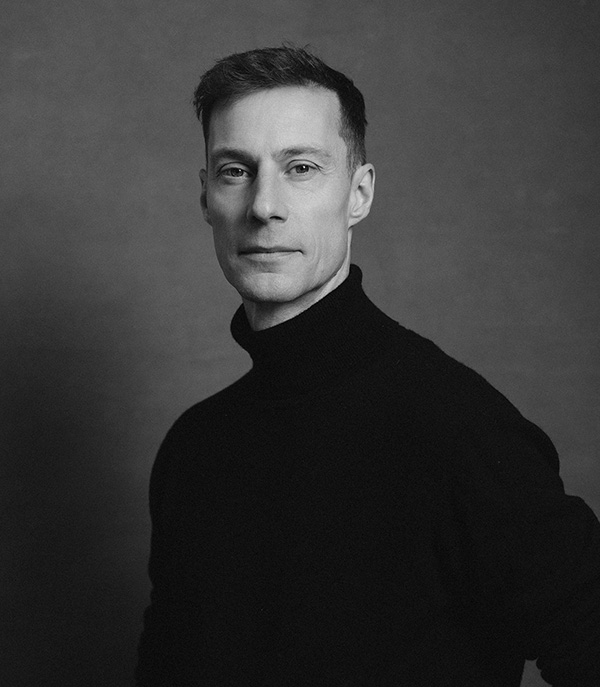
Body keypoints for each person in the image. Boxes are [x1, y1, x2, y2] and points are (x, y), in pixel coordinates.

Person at [136, 46, 600, 686]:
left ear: (358, 194)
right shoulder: (194, 449)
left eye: (301, 168)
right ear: (206, 197)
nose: (264, 205)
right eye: (235, 171)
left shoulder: (454, 425)